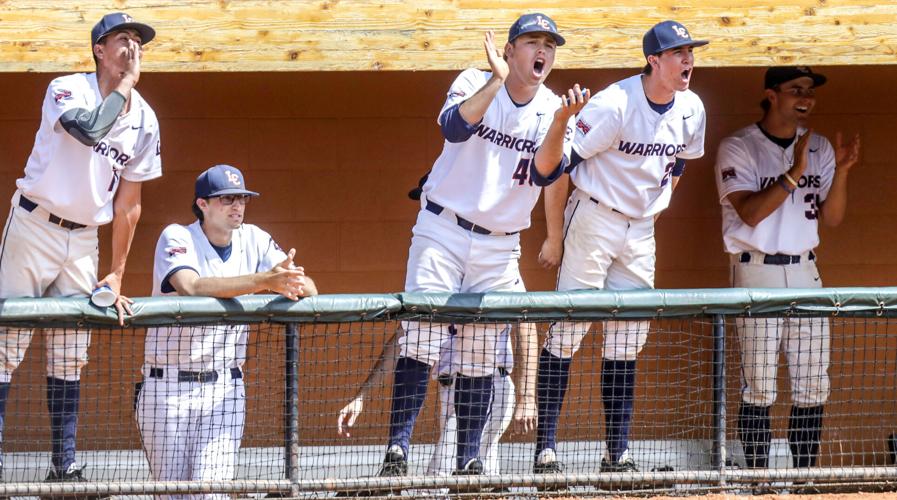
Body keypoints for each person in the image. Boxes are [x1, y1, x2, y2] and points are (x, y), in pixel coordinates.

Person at [379, 12, 585, 479]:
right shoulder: (474, 80)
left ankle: (468, 458)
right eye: (531, 42)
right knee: (422, 335)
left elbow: (547, 172)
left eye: (550, 44)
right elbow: (454, 127)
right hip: (443, 228)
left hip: (499, 244)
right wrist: (496, 79)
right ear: (510, 50)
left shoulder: (554, 108)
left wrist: (560, 123)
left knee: (480, 354)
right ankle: (397, 451)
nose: (542, 51)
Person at [534, 20, 708, 474]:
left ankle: (618, 454)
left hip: (642, 229)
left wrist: (653, 203)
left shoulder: (692, 108)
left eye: (690, 52)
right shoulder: (616, 102)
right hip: (595, 216)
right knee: (570, 328)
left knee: (627, 339)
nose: (688, 60)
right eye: (678, 53)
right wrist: (554, 234)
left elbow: (680, 164)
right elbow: (562, 164)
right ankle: (545, 449)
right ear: (654, 60)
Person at [0, 12, 161, 482]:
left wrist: (116, 272)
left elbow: (129, 204)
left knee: (71, 351)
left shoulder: (146, 120)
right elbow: (88, 129)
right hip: (35, 225)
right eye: (122, 40)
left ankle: (64, 464)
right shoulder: (66, 87)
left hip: (84, 237)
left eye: (138, 41)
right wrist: (126, 88)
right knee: (5, 345)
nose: (133, 48)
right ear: (98, 49)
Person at [135, 164, 317, 499]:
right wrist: (263, 281)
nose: (238, 206)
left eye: (242, 199)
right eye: (226, 199)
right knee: (170, 494)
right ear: (202, 204)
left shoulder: (255, 238)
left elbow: (310, 289)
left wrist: (291, 280)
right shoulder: (177, 235)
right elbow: (191, 286)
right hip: (168, 386)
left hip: (224, 388)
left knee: (213, 493)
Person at [713, 66, 860, 472]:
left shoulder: (821, 147)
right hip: (755, 268)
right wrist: (793, 173)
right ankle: (760, 479)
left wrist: (842, 173)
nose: (806, 98)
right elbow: (749, 212)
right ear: (771, 94)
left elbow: (831, 219)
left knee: (813, 384)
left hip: (805, 270)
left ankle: (805, 479)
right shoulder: (738, 145)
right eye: (796, 89)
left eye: (810, 91)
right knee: (759, 385)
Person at [337, 323, 538, 478]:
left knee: (440, 479)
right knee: (483, 478)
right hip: (451, 392)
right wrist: (361, 397)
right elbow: (401, 342)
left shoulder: (482, 276)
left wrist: (527, 397)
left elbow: (526, 323)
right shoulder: (438, 282)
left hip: (488, 388)